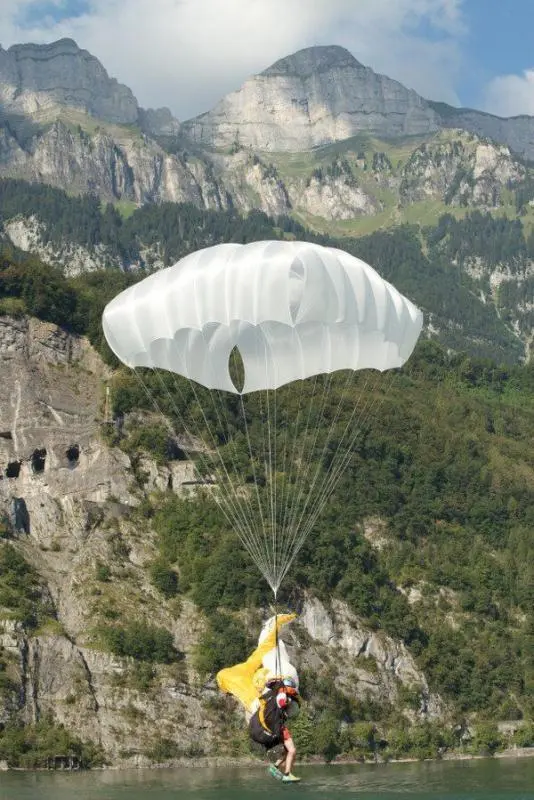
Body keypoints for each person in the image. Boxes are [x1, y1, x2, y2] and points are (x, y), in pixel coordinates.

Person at [248, 677, 301, 783]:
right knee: (292, 750)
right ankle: (287, 775)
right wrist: (287, 701)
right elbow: (281, 702)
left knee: (287, 750)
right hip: (278, 727)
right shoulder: (282, 693)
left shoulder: (272, 694)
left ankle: (275, 766)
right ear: (288, 686)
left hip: (268, 727)